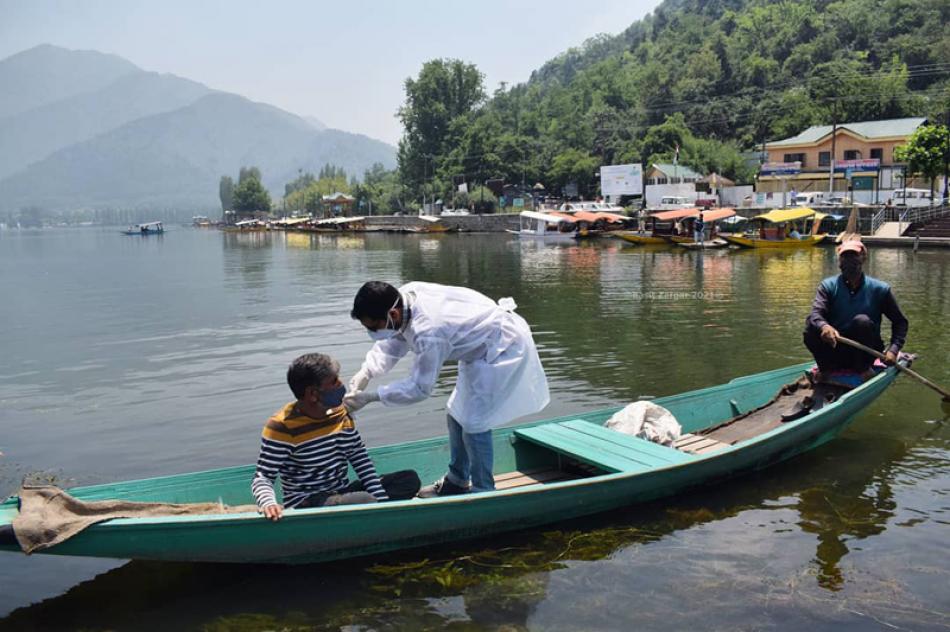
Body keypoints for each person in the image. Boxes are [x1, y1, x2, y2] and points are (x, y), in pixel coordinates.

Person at [345, 281, 550, 497]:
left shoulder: (429, 332)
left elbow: (419, 388)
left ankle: (483, 491)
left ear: (392, 314)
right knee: (455, 412)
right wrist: (366, 372)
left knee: (475, 422)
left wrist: (372, 397)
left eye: (373, 327)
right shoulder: (402, 298)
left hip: (502, 348)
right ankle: (457, 481)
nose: (372, 332)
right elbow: (394, 341)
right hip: (478, 347)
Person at [251, 353, 420, 521]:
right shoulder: (282, 426)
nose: (340, 384)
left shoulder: (340, 413)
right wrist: (268, 503)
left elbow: (359, 457)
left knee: (409, 479)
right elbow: (263, 477)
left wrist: (380, 498)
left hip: (341, 492)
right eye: (334, 381)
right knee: (364, 500)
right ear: (312, 394)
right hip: (308, 501)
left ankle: (374, 511)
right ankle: (371, 513)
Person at [803, 241, 908, 380]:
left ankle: (863, 369)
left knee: (862, 321)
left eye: (853, 256)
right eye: (845, 257)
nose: (849, 261)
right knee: (811, 323)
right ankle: (826, 368)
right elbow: (816, 314)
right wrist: (825, 326)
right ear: (839, 261)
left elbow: (900, 322)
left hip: (865, 351)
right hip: (835, 348)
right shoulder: (828, 286)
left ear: (863, 258)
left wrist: (893, 350)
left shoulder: (880, 289)